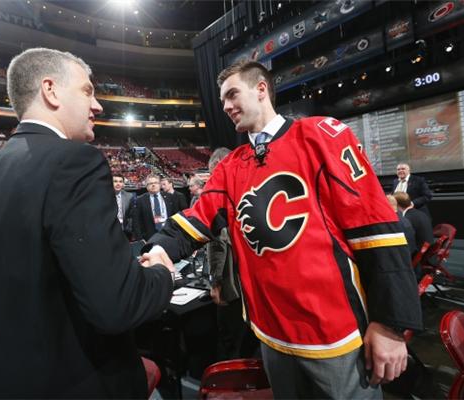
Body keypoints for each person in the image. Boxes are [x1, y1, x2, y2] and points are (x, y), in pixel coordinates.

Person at [142, 60, 422, 399]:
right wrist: (159, 248)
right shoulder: (230, 167)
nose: (227, 107)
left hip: (334, 335)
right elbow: (196, 219)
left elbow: (377, 230)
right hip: (271, 336)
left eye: (232, 95)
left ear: (261, 89)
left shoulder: (322, 135)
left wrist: (391, 324)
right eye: (223, 101)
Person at [0, 48, 175, 399]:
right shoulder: (75, 162)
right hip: (71, 381)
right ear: (51, 90)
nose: (98, 106)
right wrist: (162, 274)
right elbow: (116, 306)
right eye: (88, 91)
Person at [207, 147, 259, 360]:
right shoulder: (252, 187)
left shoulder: (218, 197)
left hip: (233, 284)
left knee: (231, 341)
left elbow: (218, 244)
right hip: (254, 280)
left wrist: (215, 282)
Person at [133, 174, 172, 241]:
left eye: (156, 183)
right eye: (150, 183)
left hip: (168, 234)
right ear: (146, 186)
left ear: (160, 185)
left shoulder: (169, 197)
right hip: (149, 237)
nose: (153, 185)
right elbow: (136, 221)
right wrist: (140, 239)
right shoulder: (140, 200)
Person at [112, 173, 135, 240]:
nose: (118, 184)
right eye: (115, 181)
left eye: (120, 181)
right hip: (110, 230)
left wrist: (129, 228)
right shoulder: (105, 197)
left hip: (125, 230)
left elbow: (131, 215)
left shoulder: (129, 196)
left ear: (123, 184)